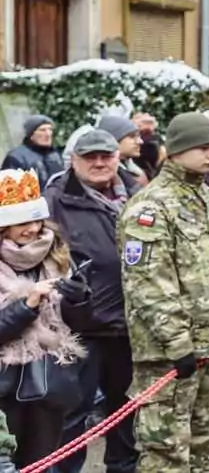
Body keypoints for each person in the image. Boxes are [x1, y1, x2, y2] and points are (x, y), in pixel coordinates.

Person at [119, 111, 209, 473]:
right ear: (175, 151)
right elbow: (147, 284)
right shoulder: (151, 207)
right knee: (167, 454)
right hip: (171, 359)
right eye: (202, 147)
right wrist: (177, 344)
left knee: (207, 447)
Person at [46, 129, 140, 473]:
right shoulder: (56, 197)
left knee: (125, 411)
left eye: (107, 156)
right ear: (74, 160)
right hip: (80, 326)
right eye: (90, 157)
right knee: (73, 414)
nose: (99, 163)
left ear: (118, 157)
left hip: (129, 325)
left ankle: (122, 467)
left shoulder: (137, 191)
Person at [0, 167, 92, 470]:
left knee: (42, 464)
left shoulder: (57, 255)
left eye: (36, 219)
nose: (32, 228)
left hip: (52, 383)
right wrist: (27, 304)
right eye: (21, 221)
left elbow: (79, 326)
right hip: (5, 391)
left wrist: (79, 299)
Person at [5, 116, 61, 188]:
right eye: (42, 130)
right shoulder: (16, 157)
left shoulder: (55, 155)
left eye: (50, 129)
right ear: (31, 135)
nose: (48, 134)